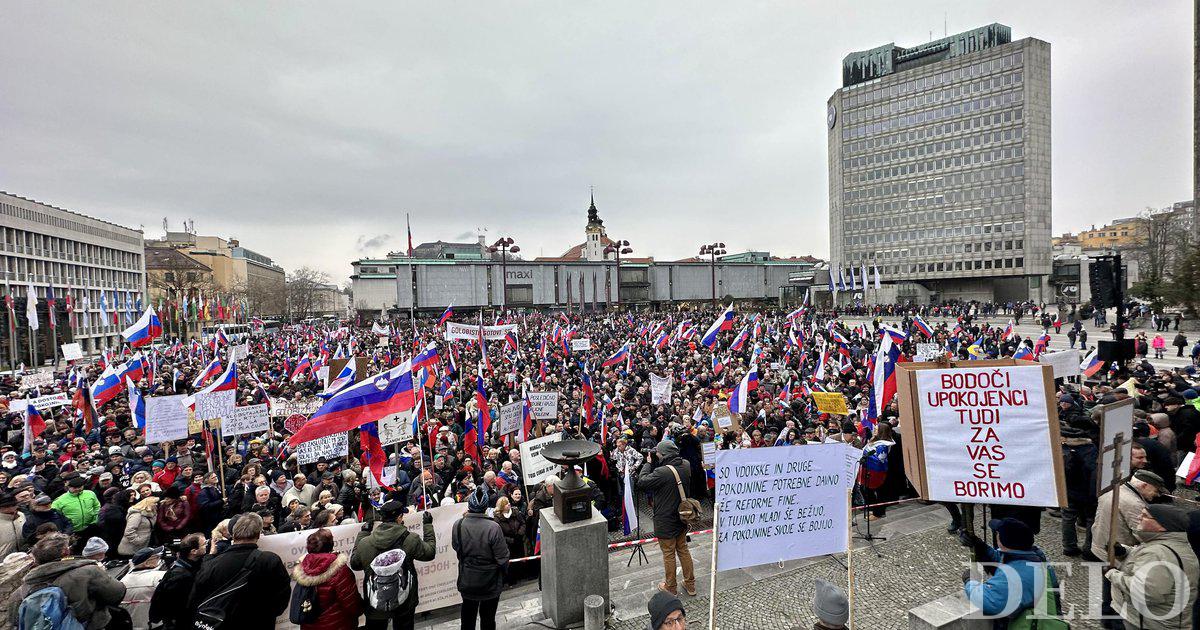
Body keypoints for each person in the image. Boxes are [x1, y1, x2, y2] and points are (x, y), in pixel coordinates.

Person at [187, 511, 290, 629]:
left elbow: (194, 600)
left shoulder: (212, 564)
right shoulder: (270, 560)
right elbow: (282, 598)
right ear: (258, 535)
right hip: (259, 622)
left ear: (233, 534)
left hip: (220, 623)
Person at [1106, 505, 1200, 629]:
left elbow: (1145, 592)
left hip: (1150, 624)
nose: (1139, 517)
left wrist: (1112, 574)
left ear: (1162, 526)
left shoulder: (1159, 553)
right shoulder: (1164, 544)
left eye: (1145, 516)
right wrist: (1124, 552)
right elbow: (1144, 562)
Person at [10, 532, 126, 630]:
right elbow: (117, 593)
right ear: (66, 552)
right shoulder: (88, 572)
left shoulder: (22, 589)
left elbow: (15, 620)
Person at [350, 500, 436, 630]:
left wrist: (363, 534)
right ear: (400, 517)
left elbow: (355, 564)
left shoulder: (365, 542)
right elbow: (429, 553)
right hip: (404, 599)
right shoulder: (410, 539)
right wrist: (428, 525)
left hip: (375, 600)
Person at [961, 518, 1058, 623]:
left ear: (1003, 541)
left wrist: (970, 581)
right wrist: (979, 545)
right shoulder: (1032, 554)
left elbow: (989, 601)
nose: (996, 535)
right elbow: (1002, 559)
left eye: (997, 533)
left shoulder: (1013, 576)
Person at [636, 439, 695, 597]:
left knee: (668, 553)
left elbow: (641, 482)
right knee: (683, 549)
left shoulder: (662, 472)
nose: (657, 454)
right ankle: (690, 585)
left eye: (659, 452)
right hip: (682, 516)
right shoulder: (686, 465)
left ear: (665, 454)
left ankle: (671, 587)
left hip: (665, 519)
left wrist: (648, 464)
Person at [453, 486, 510, 630]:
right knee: (488, 618)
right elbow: (503, 557)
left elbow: (456, 547)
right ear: (486, 507)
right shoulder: (493, 527)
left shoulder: (458, 524)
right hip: (490, 581)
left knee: (467, 617)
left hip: (468, 578)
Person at [290, 528, 361, 630]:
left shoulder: (303, 566)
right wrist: (361, 609)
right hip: (337, 624)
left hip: (309, 623)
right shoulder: (340, 570)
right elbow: (351, 601)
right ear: (331, 544)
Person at [148, 532, 207, 630]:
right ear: (194, 551)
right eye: (204, 544)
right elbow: (171, 606)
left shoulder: (190, 567)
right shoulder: (180, 577)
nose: (207, 545)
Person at [119, 545, 166, 629]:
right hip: (153, 625)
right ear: (147, 563)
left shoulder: (123, 580)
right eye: (157, 557)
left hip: (130, 625)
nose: (160, 559)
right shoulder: (158, 577)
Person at [0, 493, 25, 557]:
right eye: (6, 506)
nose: (12, 508)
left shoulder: (21, 515)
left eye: (14, 505)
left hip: (23, 556)